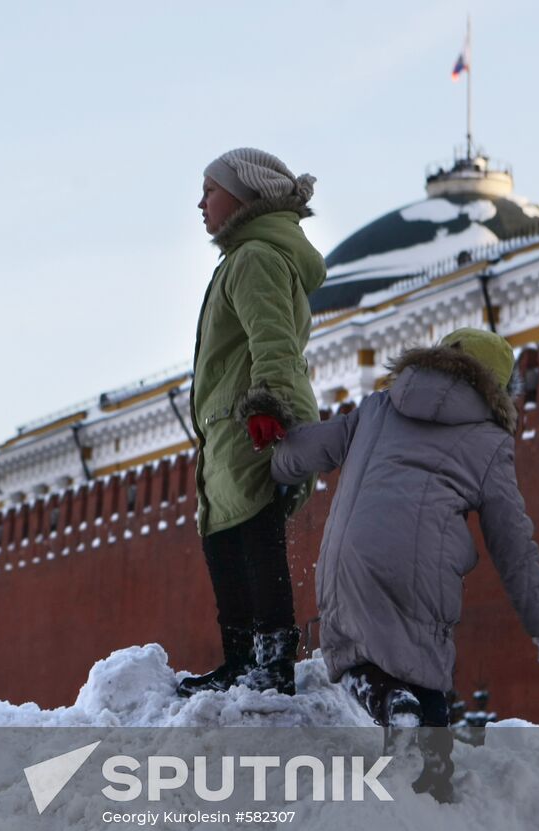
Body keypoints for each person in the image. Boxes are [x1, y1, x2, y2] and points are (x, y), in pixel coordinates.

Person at [268, 327, 539, 726]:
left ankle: (390, 701)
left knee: (355, 656)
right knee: (425, 673)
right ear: (500, 388)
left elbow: (304, 449)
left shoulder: (377, 407)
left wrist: (273, 462)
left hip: (351, 557)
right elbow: (513, 542)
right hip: (424, 572)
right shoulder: (489, 442)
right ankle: (428, 749)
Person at [178, 147, 326, 697]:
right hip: (228, 427)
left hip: (253, 421)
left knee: (255, 538)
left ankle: (273, 661)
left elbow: (273, 341)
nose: (201, 203)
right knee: (225, 540)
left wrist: (268, 405)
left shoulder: (255, 257)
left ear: (243, 196)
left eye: (210, 191)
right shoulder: (241, 258)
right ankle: (240, 660)